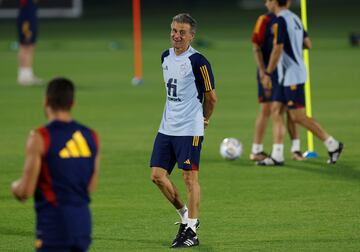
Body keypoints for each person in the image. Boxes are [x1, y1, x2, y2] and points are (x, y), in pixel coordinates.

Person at [150, 13, 217, 248]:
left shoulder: (199, 62)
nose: (176, 36)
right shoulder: (165, 56)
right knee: (157, 176)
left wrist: (204, 119)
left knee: (190, 178)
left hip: (190, 127)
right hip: (167, 126)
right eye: (174, 31)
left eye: (182, 32)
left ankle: (191, 230)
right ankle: (185, 217)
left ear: (191, 36)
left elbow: (211, 97)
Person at [11, 77, 100, 251]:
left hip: (54, 225)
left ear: (46, 101)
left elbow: (24, 192)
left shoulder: (40, 137)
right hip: (83, 224)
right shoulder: (91, 136)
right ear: (72, 103)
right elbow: (90, 186)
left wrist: (14, 186)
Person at [257, 0, 343, 166]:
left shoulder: (279, 20)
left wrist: (268, 72)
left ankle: (332, 144)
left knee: (298, 117)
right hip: (287, 75)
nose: (266, 3)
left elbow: (278, 48)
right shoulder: (295, 18)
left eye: (268, 0)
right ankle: (277, 155)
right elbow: (307, 44)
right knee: (276, 110)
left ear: (275, 2)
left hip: (292, 76)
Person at [250, 0, 306, 162]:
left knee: (290, 108)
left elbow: (303, 40)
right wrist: (262, 71)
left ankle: (295, 150)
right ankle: (256, 150)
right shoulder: (265, 20)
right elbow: (256, 46)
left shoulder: (288, 19)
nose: (266, 3)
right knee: (267, 109)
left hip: (286, 71)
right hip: (269, 71)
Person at [17, 0, 43, 86]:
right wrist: (27, 30)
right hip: (27, 24)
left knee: (29, 48)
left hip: (29, 22)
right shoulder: (27, 3)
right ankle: (24, 76)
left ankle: (26, 75)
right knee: (26, 48)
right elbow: (26, 16)